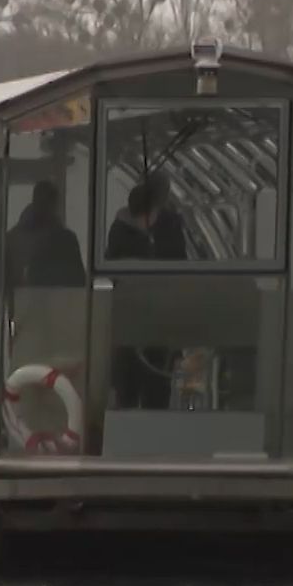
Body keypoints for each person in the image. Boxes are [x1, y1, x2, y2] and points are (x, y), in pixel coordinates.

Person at [106, 174, 185, 409]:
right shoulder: (168, 228)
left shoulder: (121, 231)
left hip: (141, 323)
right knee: (149, 388)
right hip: (150, 323)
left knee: (139, 387)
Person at [5, 180, 86, 288]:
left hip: (43, 297)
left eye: (46, 203)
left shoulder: (67, 239)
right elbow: (79, 282)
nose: (44, 208)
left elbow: (79, 282)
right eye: (41, 202)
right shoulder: (15, 239)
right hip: (28, 296)